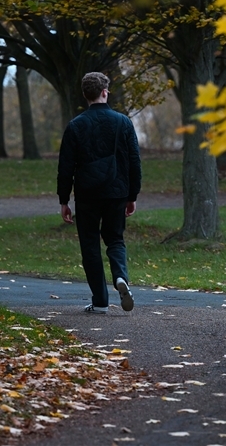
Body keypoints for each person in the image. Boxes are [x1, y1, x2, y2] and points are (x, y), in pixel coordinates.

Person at [57, 72, 141, 314]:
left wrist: (64, 200)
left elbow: (65, 167)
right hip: (117, 191)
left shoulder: (75, 125)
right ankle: (119, 277)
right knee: (115, 239)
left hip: (87, 194)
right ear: (104, 92)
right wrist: (132, 195)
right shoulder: (123, 122)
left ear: (86, 95)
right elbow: (134, 162)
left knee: (90, 245)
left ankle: (100, 302)